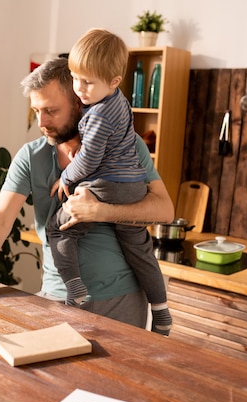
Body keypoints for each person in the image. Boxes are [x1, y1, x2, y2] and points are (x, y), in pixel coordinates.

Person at [0, 57, 175, 330]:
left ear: (79, 103)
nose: (42, 122)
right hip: (57, 296)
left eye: (51, 111)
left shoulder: (126, 143)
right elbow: (1, 218)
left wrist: (102, 212)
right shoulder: (32, 156)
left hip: (121, 299)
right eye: (36, 111)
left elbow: (164, 209)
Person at [47, 29, 172, 335]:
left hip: (108, 186)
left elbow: (89, 160)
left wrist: (67, 176)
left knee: (59, 229)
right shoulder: (120, 102)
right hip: (133, 185)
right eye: (76, 78)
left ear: (115, 81)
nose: (79, 88)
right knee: (139, 249)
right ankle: (161, 311)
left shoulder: (97, 116)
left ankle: (75, 289)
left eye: (87, 82)